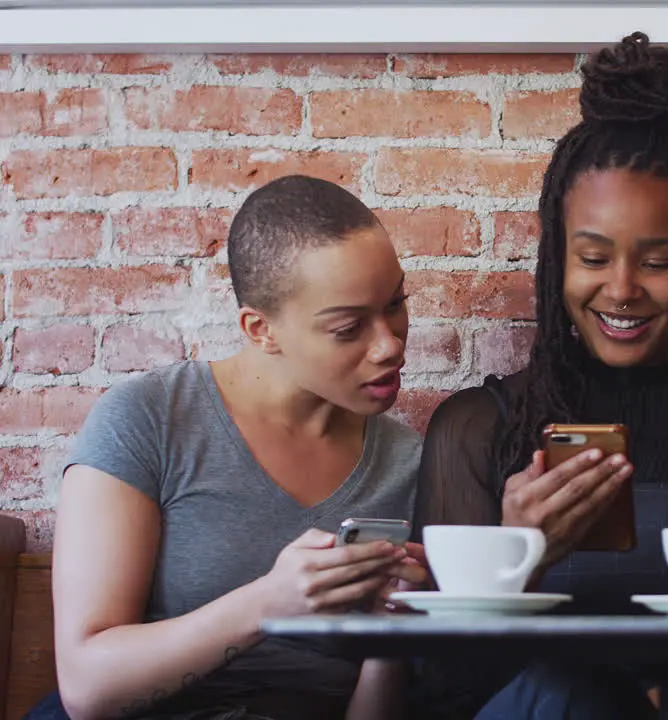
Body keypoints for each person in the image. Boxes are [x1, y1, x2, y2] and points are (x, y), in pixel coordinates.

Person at [411, 32, 668, 720]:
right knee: (572, 693)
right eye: (594, 257)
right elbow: (436, 688)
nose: (622, 288)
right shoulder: (480, 430)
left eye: (657, 262)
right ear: (557, 260)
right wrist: (518, 560)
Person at [39, 175, 427, 720]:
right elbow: (87, 689)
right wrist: (270, 602)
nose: (390, 344)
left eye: (396, 304)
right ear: (260, 329)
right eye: (347, 328)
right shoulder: (149, 419)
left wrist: (392, 639)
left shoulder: (408, 464)